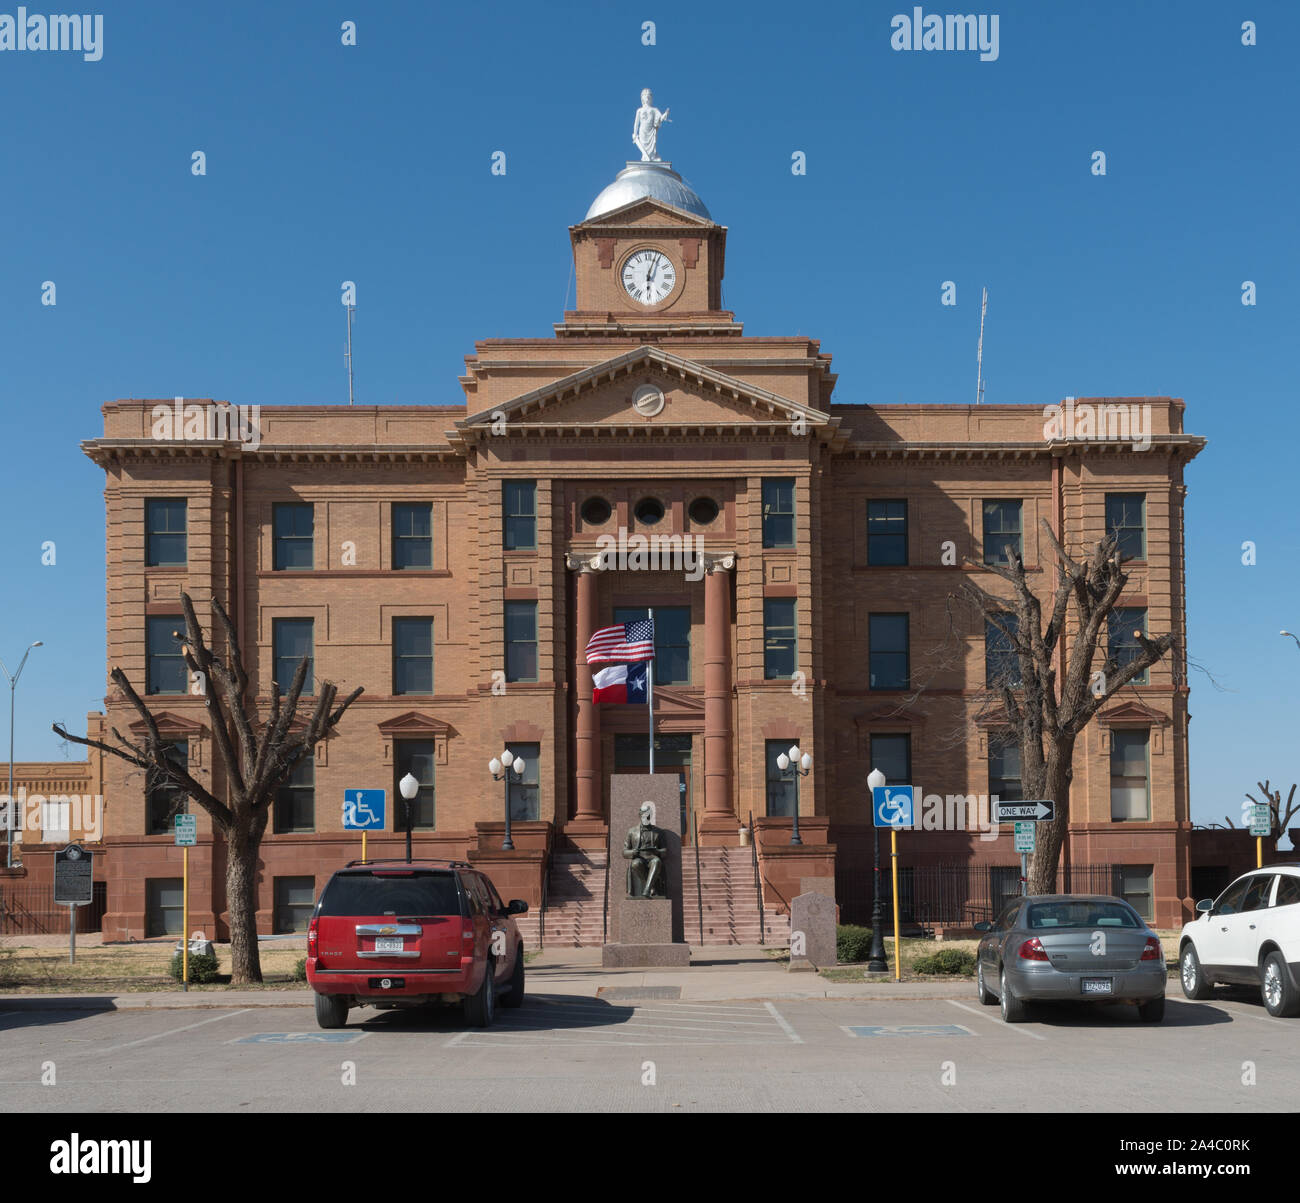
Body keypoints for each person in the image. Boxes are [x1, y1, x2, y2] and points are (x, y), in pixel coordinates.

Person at [632, 89, 670, 162]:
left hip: (651, 131)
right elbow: (636, 123)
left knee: (652, 147)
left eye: (649, 97)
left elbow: (660, 118)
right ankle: (645, 156)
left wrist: (665, 115)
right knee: (643, 145)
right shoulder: (639, 110)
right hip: (642, 131)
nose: (647, 98)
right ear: (642, 99)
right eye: (645, 97)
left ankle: (652, 157)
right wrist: (635, 133)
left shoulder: (654, 110)